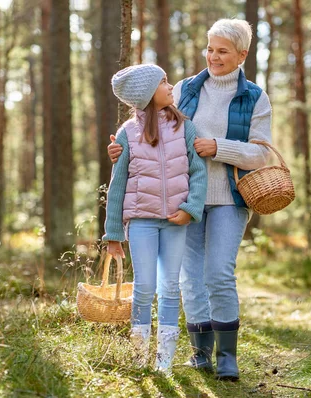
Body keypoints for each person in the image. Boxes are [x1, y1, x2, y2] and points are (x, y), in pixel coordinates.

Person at [108, 19, 272, 381]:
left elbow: (262, 155)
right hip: (183, 201)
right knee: (189, 280)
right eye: (210, 49)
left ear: (242, 55)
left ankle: (227, 356)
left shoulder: (254, 97)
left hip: (229, 196)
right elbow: (152, 128)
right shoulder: (186, 88)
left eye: (223, 51)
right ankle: (200, 354)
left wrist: (220, 148)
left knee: (218, 274)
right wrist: (122, 148)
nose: (213, 56)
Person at [103, 64, 207, 376]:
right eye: (163, 82)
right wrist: (112, 234)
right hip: (141, 223)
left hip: (176, 221)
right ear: (148, 94)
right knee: (145, 286)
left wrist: (191, 208)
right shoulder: (127, 134)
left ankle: (164, 361)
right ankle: (139, 355)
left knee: (170, 287)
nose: (169, 85)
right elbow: (117, 184)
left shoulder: (185, 127)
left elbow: (198, 173)